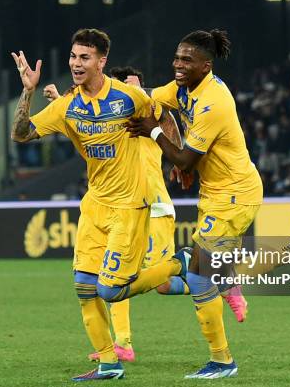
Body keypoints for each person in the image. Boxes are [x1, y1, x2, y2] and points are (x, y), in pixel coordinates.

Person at [127, 29, 290, 379]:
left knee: (201, 275)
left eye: (186, 60)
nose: (178, 65)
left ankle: (222, 361)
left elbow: (185, 159)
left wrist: (154, 132)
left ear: (205, 65)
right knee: (212, 272)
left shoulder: (214, 101)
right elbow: (148, 97)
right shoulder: (183, 86)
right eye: (176, 57)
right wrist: (104, 90)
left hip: (235, 193)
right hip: (218, 192)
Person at [10, 28, 185, 381]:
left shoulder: (128, 97)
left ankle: (177, 264)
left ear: (101, 61)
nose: (76, 63)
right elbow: (21, 133)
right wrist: (28, 91)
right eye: (74, 56)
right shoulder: (67, 106)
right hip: (94, 206)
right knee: (84, 287)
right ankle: (109, 363)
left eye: (84, 57)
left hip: (130, 206)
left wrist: (179, 160)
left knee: (110, 289)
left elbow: (164, 116)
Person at [43, 66, 188, 363]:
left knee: (153, 283)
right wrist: (61, 100)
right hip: (122, 207)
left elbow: (166, 116)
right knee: (115, 276)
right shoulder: (114, 117)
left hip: (155, 205)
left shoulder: (146, 113)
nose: (130, 92)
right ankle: (122, 343)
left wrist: (179, 153)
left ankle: (206, 277)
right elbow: (86, 123)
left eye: (134, 86)